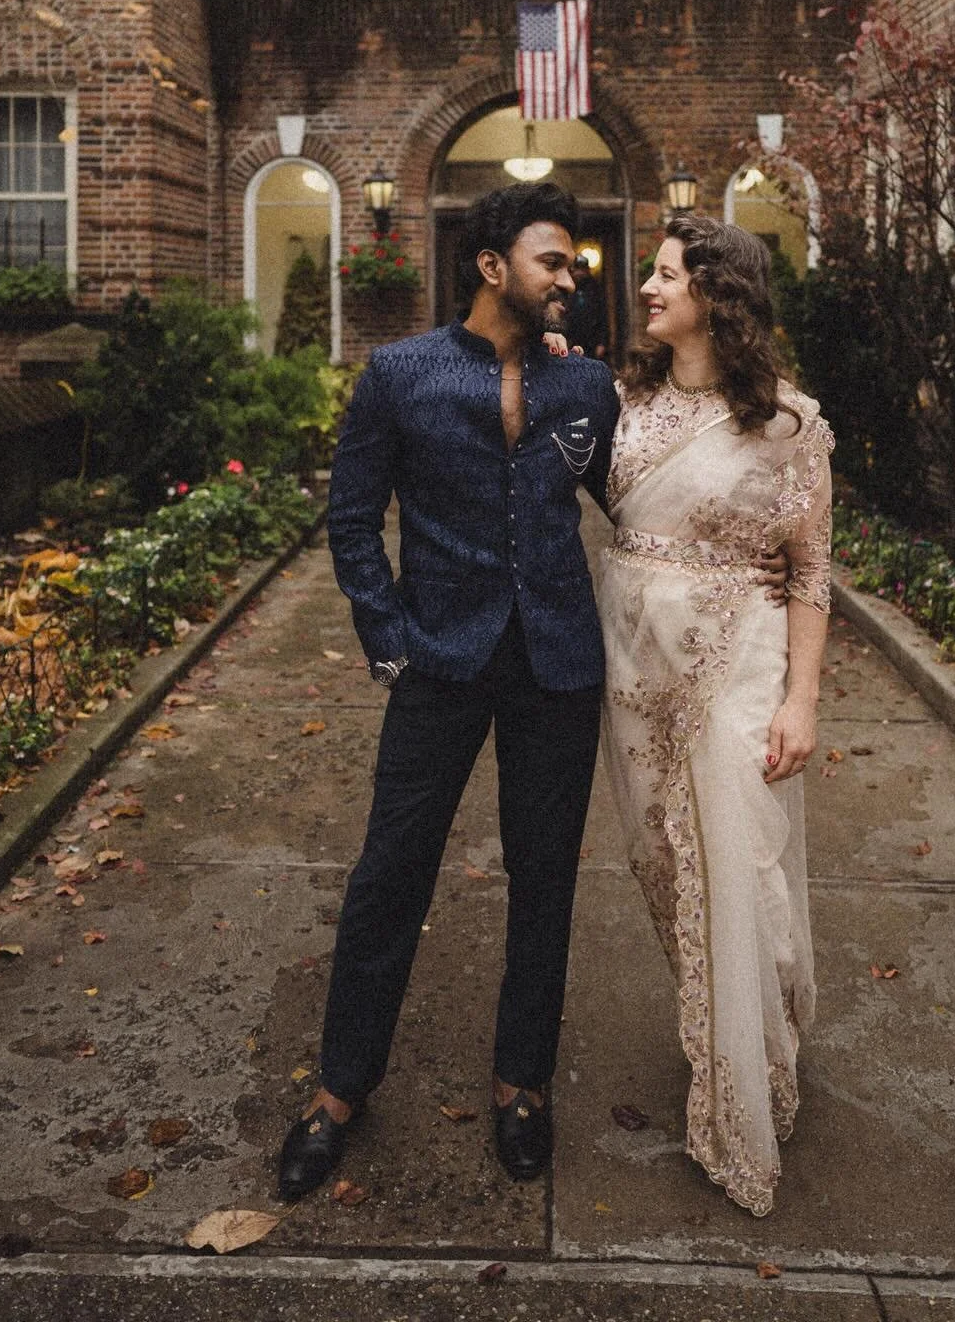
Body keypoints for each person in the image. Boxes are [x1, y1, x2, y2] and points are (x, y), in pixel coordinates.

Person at [275, 182, 622, 1198]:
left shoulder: (587, 388)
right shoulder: (399, 375)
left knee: (545, 879)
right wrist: (388, 642)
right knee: (391, 873)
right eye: (552, 262)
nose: (570, 278)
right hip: (441, 661)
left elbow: (639, 504)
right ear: (491, 266)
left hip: (559, 664)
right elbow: (350, 522)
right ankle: (338, 1092)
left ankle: (524, 1087)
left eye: (571, 265)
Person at [597, 213, 832, 1217]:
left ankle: (748, 1089)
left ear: (716, 298)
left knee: (744, 863)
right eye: (649, 276)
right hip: (633, 677)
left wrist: (802, 699)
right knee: (668, 869)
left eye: (664, 278)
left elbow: (813, 570)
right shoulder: (621, 403)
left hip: (739, 667)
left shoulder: (789, 425)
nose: (647, 291)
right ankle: (732, 1027)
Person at [563, 253, 608, 359]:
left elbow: (602, 316)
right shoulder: (568, 288)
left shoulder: (595, 289)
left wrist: (602, 342)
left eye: (581, 270)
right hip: (572, 338)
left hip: (591, 339)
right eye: (576, 270)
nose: (578, 273)